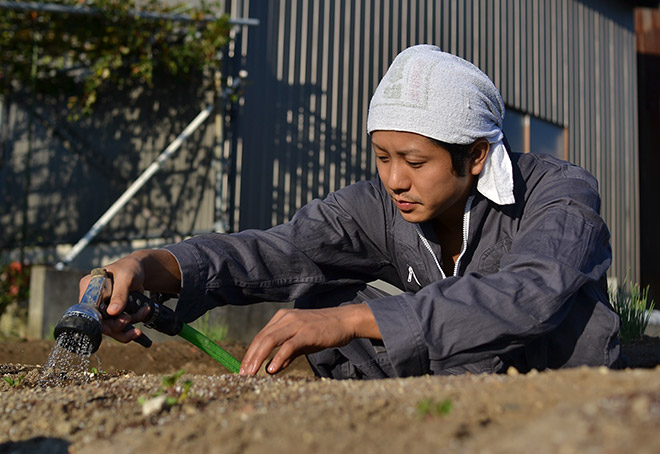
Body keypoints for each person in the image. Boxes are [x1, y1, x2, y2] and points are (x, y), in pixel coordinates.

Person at [81, 45, 622, 379]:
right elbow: (273, 252)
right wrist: (147, 267)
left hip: (551, 389)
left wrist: (351, 320)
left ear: (476, 154)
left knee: (337, 312)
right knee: (315, 290)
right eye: (382, 156)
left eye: (414, 160)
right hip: (446, 385)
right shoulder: (378, 206)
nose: (393, 180)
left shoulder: (559, 193)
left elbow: (528, 293)